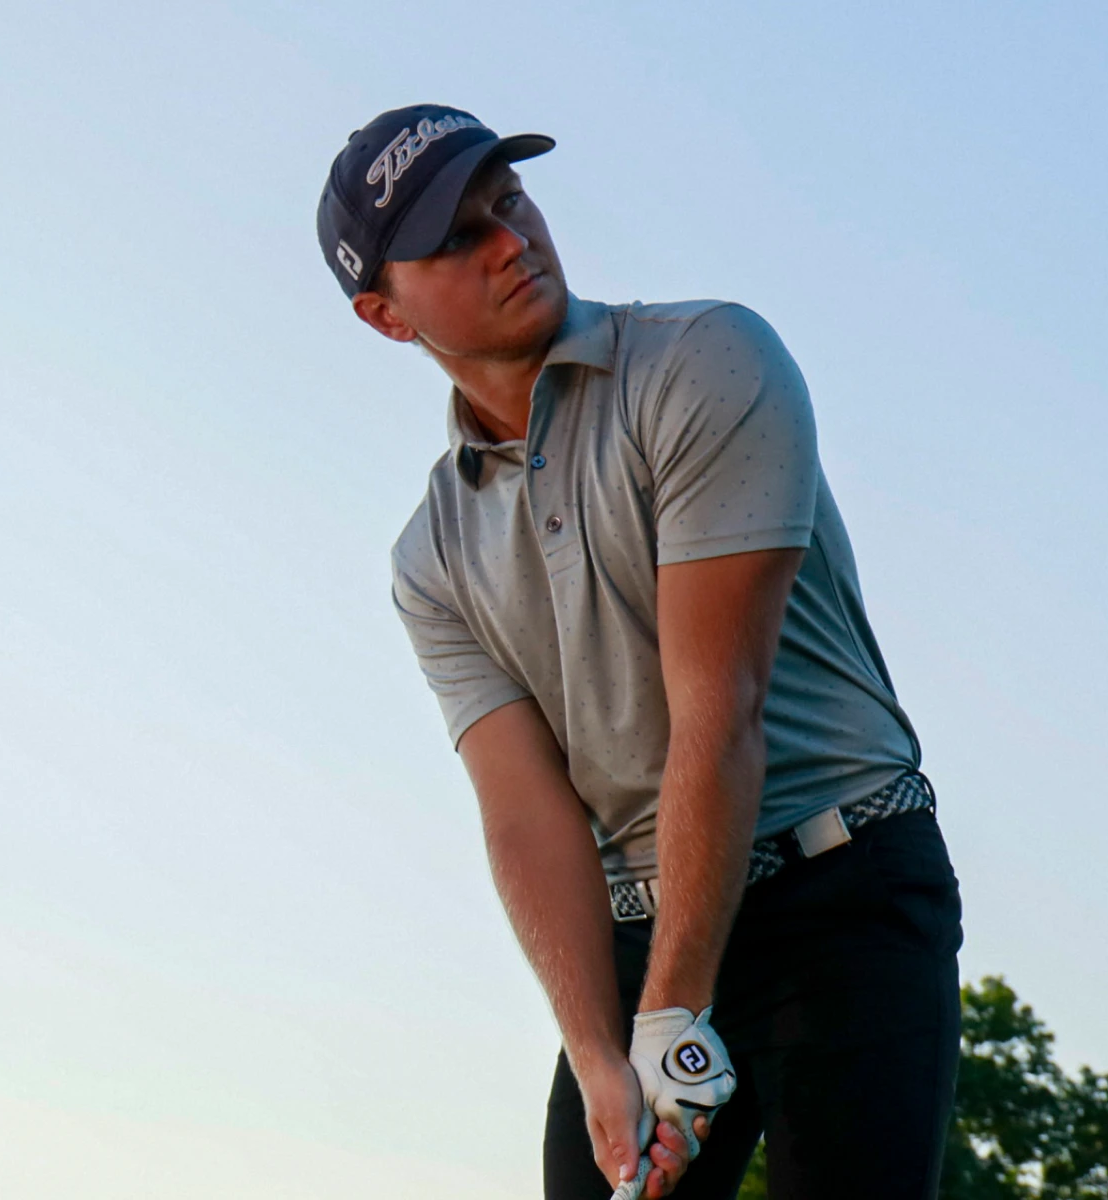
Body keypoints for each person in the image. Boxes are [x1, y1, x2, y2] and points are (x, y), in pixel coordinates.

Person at [322, 106, 965, 1200]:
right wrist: (599, 1051)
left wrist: (672, 1015)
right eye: (457, 238)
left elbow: (722, 707)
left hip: (842, 891)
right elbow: (526, 813)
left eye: (509, 201)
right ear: (386, 314)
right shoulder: (432, 556)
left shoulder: (706, 362)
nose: (510, 241)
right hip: (635, 924)